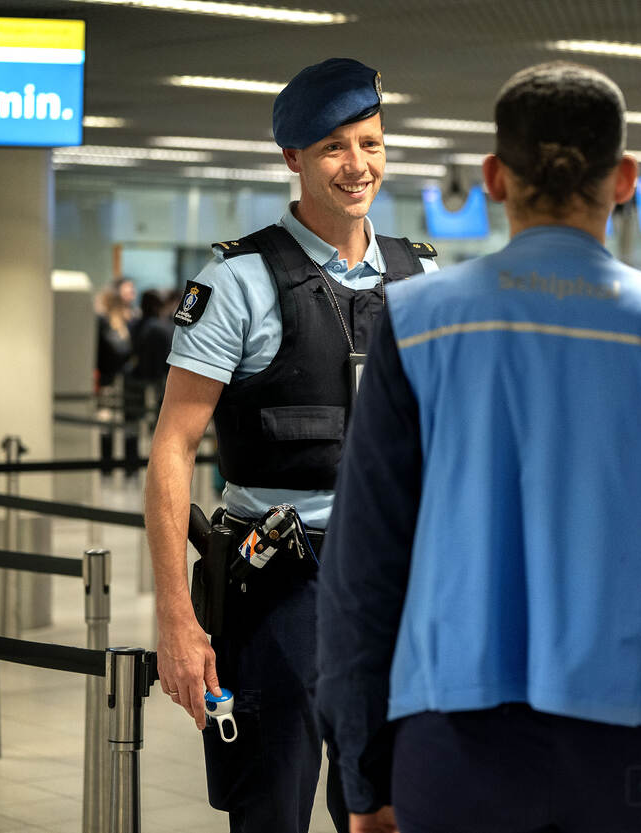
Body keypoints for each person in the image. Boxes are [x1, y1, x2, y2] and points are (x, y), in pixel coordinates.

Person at [316, 62, 641, 833]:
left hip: (454, 750)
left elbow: (363, 571)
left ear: (495, 177)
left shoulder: (416, 322)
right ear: (624, 177)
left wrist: (365, 775)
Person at [144, 57, 437, 833]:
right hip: (279, 588)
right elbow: (172, 446)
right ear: (294, 158)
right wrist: (177, 616)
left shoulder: (421, 277)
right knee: (270, 803)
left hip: (394, 582)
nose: (357, 165)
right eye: (335, 146)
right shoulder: (239, 280)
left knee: (391, 804)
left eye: (370, 143)